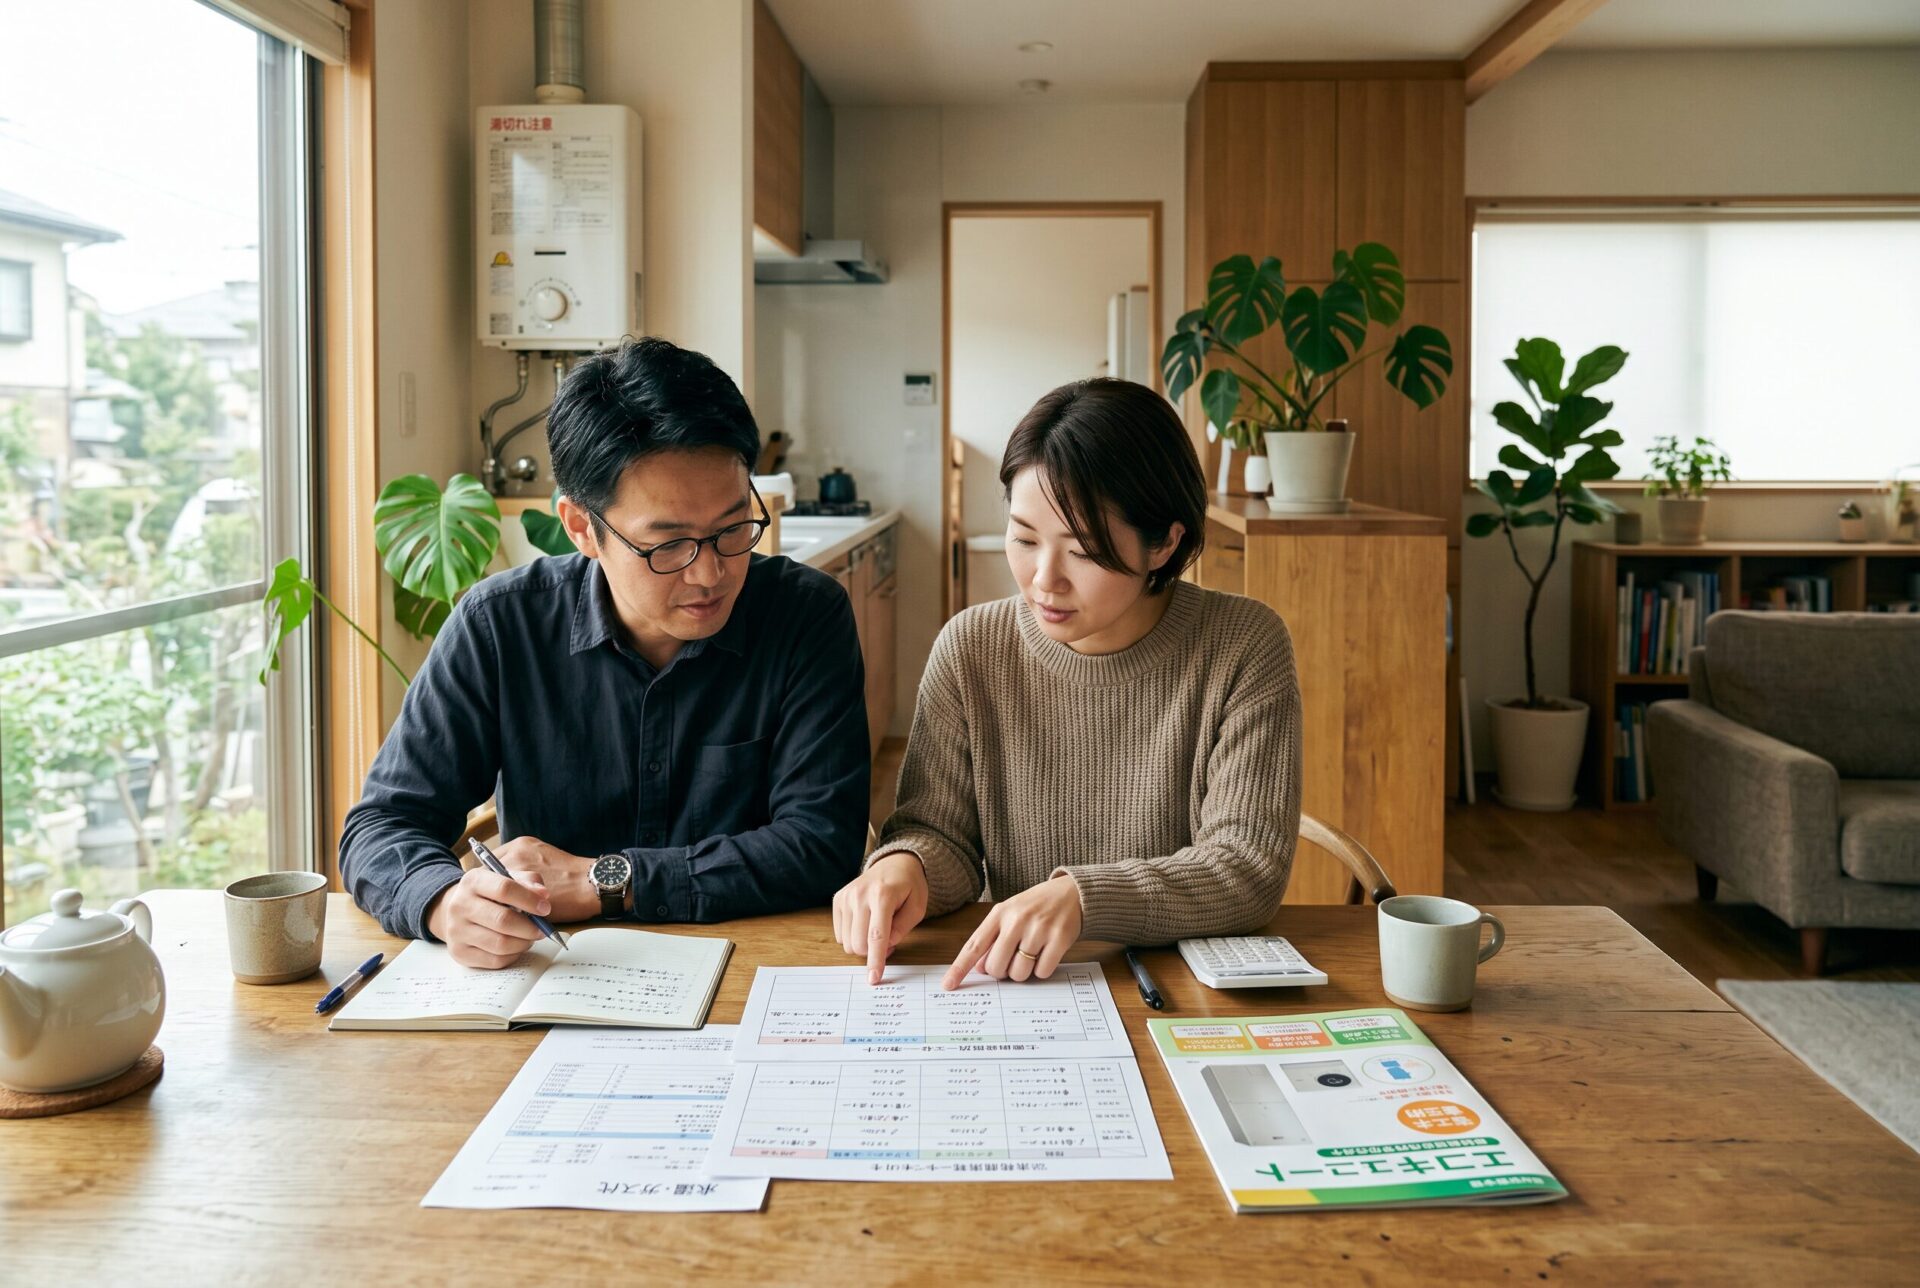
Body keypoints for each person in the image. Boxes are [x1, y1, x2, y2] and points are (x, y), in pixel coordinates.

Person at [340, 336, 869, 967]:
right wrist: (444, 901)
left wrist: (604, 882)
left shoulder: (803, 615)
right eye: (668, 545)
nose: (710, 574)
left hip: (754, 973)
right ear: (581, 527)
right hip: (557, 982)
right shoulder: (501, 626)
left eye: (733, 529)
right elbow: (382, 827)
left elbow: (819, 844)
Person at [833, 377, 1301, 988]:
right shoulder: (972, 647)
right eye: (1024, 539)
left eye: (1082, 552)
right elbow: (937, 831)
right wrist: (904, 867)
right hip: (1026, 988)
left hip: (1178, 994)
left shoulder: (1243, 645)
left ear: (1164, 544)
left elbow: (1246, 867)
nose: (1043, 580)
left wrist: (1084, 899)